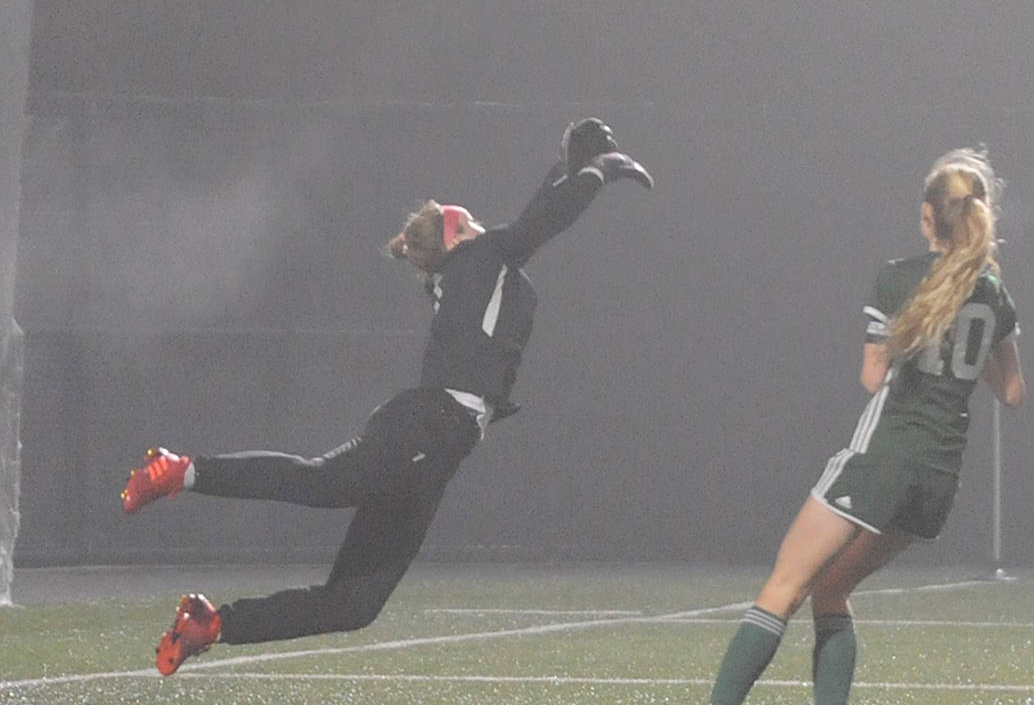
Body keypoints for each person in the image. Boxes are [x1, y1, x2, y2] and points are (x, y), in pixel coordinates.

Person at [119, 118, 653, 676]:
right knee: (320, 481)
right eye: (469, 222)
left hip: (436, 443)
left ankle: (213, 625)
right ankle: (180, 472)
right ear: (455, 240)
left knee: (355, 603)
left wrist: (567, 163)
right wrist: (598, 170)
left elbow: (537, 216)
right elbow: (544, 220)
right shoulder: (483, 258)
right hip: (428, 427)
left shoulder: (478, 262)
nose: (481, 224)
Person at [702, 148, 1025, 705]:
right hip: (938, 478)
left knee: (783, 586)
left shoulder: (898, 277)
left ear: (929, 215)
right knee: (831, 592)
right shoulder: (994, 292)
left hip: (885, 456)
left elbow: (872, 377)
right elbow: (1013, 392)